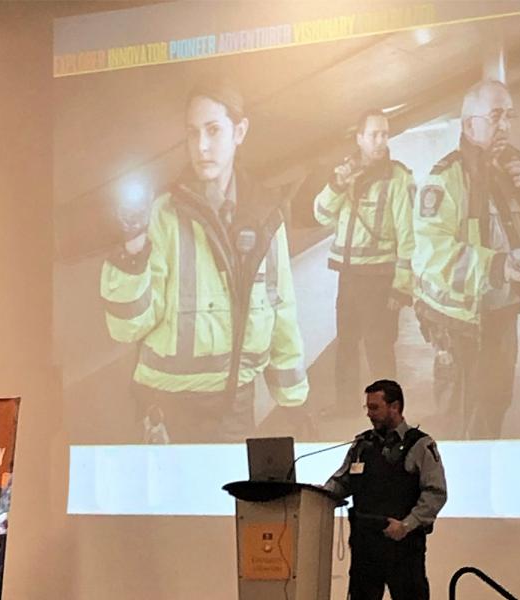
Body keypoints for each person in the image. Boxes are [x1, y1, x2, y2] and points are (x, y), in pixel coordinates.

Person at [100, 78, 309, 443]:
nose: (202, 146)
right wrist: (131, 251)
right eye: (193, 133)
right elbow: (127, 329)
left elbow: (281, 307)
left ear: (239, 131)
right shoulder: (161, 216)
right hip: (166, 406)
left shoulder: (265, 215)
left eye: (213, 130)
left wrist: (294, 402)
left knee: (226, 501)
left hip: (235, 405)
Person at [412, 79, 520, 439]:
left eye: (510, 116)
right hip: (461, 321)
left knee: (496, 399)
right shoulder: (445, 179)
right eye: (496, 116)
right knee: (465, 412)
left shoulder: (516, 167)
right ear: (469, 124)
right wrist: (497, 265)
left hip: (503, 309)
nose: (506, 126)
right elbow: (432, 253)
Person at [314, 110, 415, 414]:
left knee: (380, 350)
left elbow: (408, 237)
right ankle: (345, 405)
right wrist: (337, 185)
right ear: (359, 138)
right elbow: (320, 214)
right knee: (346, 344)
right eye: (374, 134)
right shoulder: (346, 176)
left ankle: (390, 414)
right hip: (349, 276)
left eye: (385, 134)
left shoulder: (398, 178)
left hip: (379, 278)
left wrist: (401, 287)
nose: (380, 140)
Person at [324, 380, 447, 599]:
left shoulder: (419, 445)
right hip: (365, 546)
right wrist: (320, 496)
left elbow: (435, 492)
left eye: (375, 407)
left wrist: (407, 525)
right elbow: (343, 482)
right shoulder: (363, 444)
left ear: (395, 407)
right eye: (367, 407)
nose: (369, 414)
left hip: (403, 545)